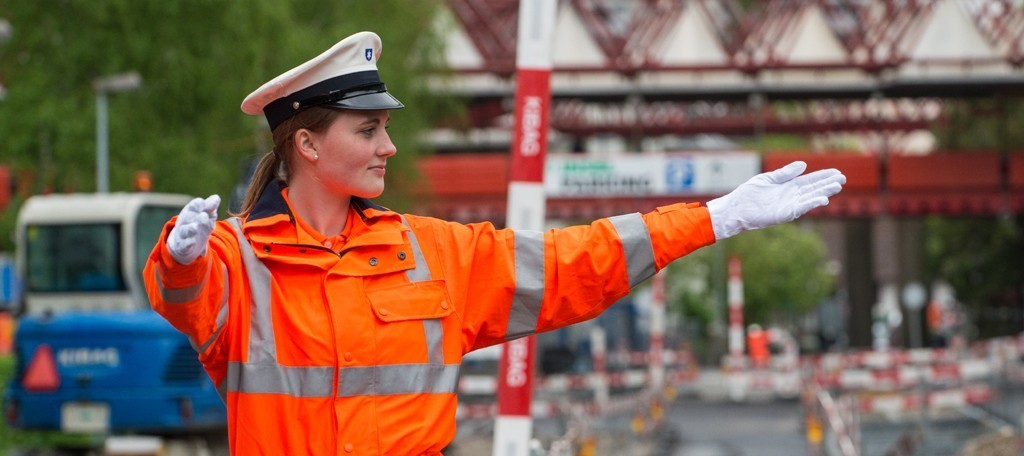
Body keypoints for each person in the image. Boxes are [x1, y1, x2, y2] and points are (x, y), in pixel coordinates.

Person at [144, 31, 846, 455]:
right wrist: (181, 258)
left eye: (386, 128)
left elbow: (578, 259)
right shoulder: (235, 259)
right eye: (367, 130)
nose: (388, 145)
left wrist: (715, 218)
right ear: (304, 142)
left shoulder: (431, 253)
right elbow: (192, 304)